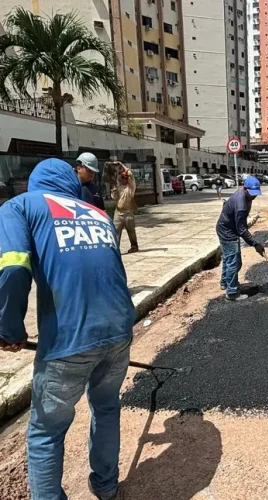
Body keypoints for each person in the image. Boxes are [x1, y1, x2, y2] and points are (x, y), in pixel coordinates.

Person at [0, 158, 135, 500]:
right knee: (106, 407)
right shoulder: (98, 213)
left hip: (69, 338)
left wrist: (9, 329)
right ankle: (106, 486)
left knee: (46, 431)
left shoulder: (20, 206)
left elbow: (13, 269)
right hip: (119, 328)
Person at [216, 175, 265, 301]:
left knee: (228, 258)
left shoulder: (245, 195)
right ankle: (232, 292)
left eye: (255, 193)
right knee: (234, 261)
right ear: (244, 188)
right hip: (228, 231)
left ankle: (225, 283)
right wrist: (255, 244)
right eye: (251, 193)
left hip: (225, 227)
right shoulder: (241, 204)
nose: (253, 196)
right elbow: (241, 229)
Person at [112, 163, 139, 254]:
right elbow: (114, 198)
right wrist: (114, 189)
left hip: (128, 212)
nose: (124, 179)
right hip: (118, 213)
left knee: (131, 231)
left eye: (125, 177)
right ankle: (116, 249)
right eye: (122, 177)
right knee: (116, 232)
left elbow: (131, 174)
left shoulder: (131, 187)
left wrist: (121, 165)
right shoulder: (118, 187)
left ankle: (134, 246)